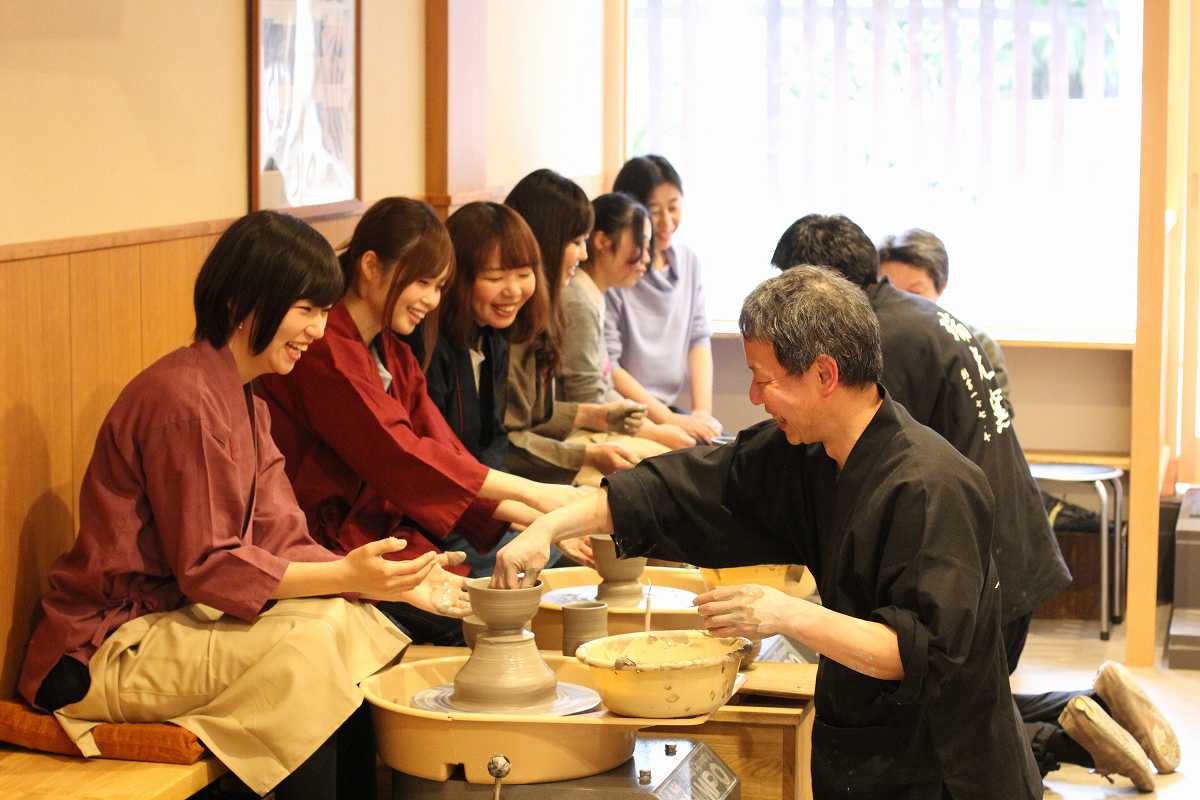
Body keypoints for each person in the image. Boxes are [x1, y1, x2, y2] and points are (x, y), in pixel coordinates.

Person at [493, 267, 1042, 800]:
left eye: (764, 379)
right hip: (867, 749)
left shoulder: (931, 487)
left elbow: (915, 651)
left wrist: (783, 613)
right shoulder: (812, 455)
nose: (755, 398)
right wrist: (549, 525)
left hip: (945, 769)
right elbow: (684, 487)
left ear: (824, 375)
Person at [19, 210, 466, 799]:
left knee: (352, 621)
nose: (317, 329)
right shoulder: (182, 399)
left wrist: (390, 584)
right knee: (312, 649)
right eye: (306, 309)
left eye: (324, 311)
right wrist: (343, 575)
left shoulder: (247, 401)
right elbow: (208, 566)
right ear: (243, 301)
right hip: (105, 648)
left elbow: (283, 533)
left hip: (173, 622)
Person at [771, 214, 1179, 788]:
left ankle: (1068, 731)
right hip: (1017, 539)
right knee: (975, 699)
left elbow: (871, 461)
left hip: (976, 557)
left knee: (952, 724)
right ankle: (1088, 705)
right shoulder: (921, 320)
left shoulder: (874, 345)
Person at [257, 198, 585, 643]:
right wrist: (537, 495)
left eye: (439, 287)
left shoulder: (389, 346)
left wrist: (542, 520)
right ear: (371, 266)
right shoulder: (325, 350)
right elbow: (402, 455)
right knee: (488, 618)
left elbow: (443, 449)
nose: (431, 301)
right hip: (328, 551)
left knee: (539, 577)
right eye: (423, 283)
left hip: (389, 537)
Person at [501, 173, 649, 483]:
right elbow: (507, 441)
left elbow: (534, 413)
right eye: (576, 242)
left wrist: (600, 416)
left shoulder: (546, 307)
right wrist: (586, 453)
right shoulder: (515, 319)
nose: (583, 255)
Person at [560, 191, 695, 449]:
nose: (646, 257)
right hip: (584, 436)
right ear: (602, 242)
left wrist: (658, 427)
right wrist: (657, 432)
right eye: (640, 245)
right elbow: (589, 400)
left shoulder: (593, 295)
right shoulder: (577, 300)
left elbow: (604, 387)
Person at [607, 155, 722, 443]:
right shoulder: (615, 273)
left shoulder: (687, 261)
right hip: (623, 416)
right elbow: (609, 366)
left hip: (668, 411)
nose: (666, 222)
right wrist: (670, 420)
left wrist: (701, 414)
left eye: (673, 207)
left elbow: (698, 338)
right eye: (653, 211)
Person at [877, 228, 1011, 405]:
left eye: (914, 293)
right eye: (892, 292)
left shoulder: (976, 346)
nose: (901, 304)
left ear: (941, 287)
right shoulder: (868, 346)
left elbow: (998, 422)